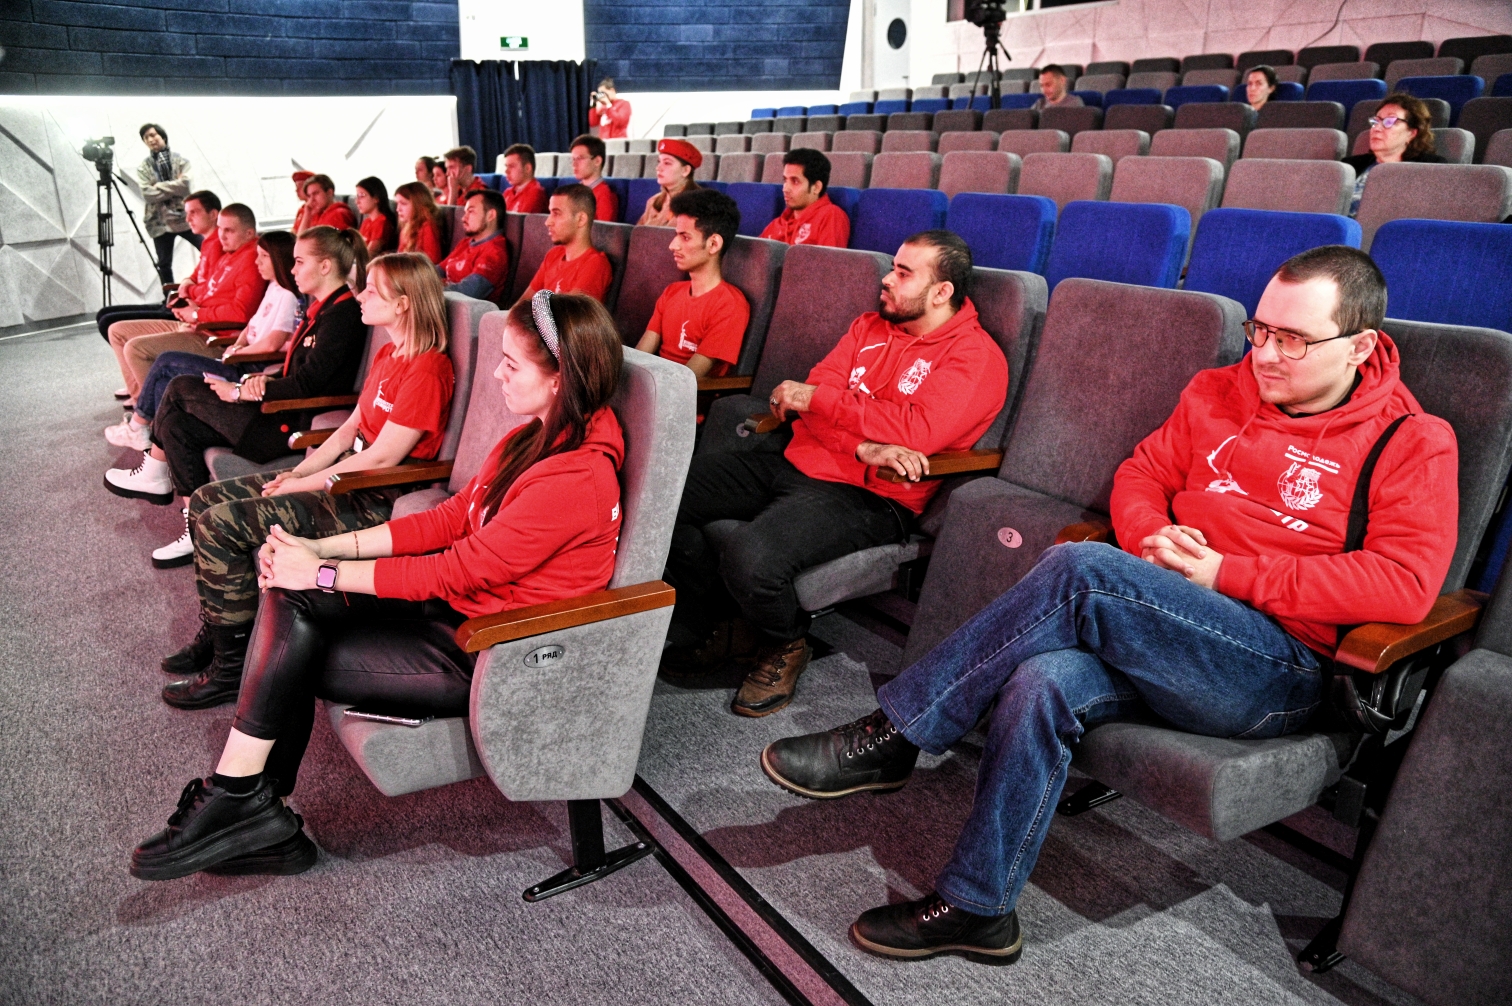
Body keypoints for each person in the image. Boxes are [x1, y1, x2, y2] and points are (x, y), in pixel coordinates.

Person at [760, 245, 1457, 965]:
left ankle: (897, 733)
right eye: (1260, 331)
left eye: (1294, 340)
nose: (1267, 355)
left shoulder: (1412, 440)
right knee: (1043, 680)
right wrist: (1153, 535)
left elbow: (1404, 583)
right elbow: (1142, 473)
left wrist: (1227, 573)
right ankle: (978, 908)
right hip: (1165, 624)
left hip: (1276, 668)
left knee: (1083, 569)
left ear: (1360, 346)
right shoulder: (1220, 389)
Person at [128, 291, 626, 881]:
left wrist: (320, 570)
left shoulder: (577, 476)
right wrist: (322, 550)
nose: (496, 374)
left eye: (512, 364)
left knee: (294, 637)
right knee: (290, 594)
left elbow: (456, 568)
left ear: (560, 379)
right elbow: (448, 520)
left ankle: (243, 799)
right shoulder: (533, 437)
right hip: (456, 612)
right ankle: (249, 802)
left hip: (490, 649)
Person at [662, 231, 1008, 716]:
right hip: (800, 456)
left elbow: (916, 429)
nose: (887, 279)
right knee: (664, 496)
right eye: (893, 266)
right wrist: (861, 443)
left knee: (752, 556)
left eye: (904, 273)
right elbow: (814, 390)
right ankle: (727, 623)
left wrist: (823, 404)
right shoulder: (868, 325)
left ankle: (785, 642)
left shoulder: (974, 356)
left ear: (941, 292)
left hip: (871, 495)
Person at [158, 253, 457, 709]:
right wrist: (299, 471)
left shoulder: (429, 368)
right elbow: (350, 429)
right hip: (339, 479)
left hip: (371, 497)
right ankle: (222, 634)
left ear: (403, 303)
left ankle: (232, 670)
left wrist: (304, 485)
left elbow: (384, 456)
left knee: (221, 524)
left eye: (372, 290)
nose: (360, 296)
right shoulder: (388, 353)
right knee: (202, 500)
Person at [104, 226, 370, 565]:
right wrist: (263, 379)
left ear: (325, 266)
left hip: (290, 424)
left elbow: (309, 384)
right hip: (278, 408)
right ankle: (195, 527)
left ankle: (155, 472)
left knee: (182, 387)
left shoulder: (343, 315)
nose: (291, 270)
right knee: (179, 425)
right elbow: (301, 372)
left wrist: (244, 391)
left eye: (299, 262)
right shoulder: (325, 309)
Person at [106, 231, 300, 453]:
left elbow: (272, 343)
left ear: (279, 259)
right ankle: (158, 445)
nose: (257, 262)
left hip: (249, 370)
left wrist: (237, 353)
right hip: (240, 358)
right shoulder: (274, 287)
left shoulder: (288, 296)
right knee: (163, 383)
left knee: (166, 361)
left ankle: (137, 426)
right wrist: (238, 344)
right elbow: (250, 326)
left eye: (264, 256)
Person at [106, 203, 266, 406]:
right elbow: (207, 288)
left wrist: (197, 314)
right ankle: (141, 400)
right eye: (220, 229)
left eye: (229, 231)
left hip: (214, 337)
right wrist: (189, 301)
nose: (222, 236)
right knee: (117, 330)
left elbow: (241, 312)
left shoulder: (251, 258)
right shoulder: (229, 253)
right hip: (195, 323)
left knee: (135, 349)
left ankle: (151, 414)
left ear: (249, 233)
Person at [94, 190, 222, 358]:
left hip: (193, 310)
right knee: (104, 314)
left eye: (194, 213)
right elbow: (196, 277)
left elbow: (213, 290)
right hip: (187, 304)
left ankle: (147, 361)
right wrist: (187, 284)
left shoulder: (220, 245)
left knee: (108, 321)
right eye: (187, 213)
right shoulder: (208, 244)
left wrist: (188, 293)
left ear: (213, 214)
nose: (187, 219)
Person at [636, 189, 749, 379]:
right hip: (655, 385)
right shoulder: (671, 292)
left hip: (685, 394)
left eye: (685, 237)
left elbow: (688, 379)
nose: (673, 245)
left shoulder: (730, 305)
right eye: (676, 235)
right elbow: (640, 357)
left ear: (713, 244)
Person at [1344, 92, 1446, 217]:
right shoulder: (1348, 166)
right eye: (1376, 121)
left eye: (1389, 121)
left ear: (1412, 133)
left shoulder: (1431, 169)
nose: (1377, 128)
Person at [514, 184, 613, 305]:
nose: (548, 222)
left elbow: (568, 312)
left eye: (556, 214)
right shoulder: (554, 254)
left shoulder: (595, 264)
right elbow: (524, 302)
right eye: (550, 213)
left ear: (581, 219)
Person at [135, 123, 200, 288]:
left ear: (162, 136)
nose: (150, 139)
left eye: (153, 135)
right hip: (160, 222)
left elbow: (186, 185)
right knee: (164, 264)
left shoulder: (180, 161)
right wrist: (174, 186)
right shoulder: (144, 167)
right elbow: (147, 194)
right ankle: (169, 297)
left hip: (185, 218)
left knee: (207, 249)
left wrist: (158, 186)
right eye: (146, 138)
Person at [759, 149, 851, 248]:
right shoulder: (777, 223)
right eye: (785, 180)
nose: (785, 189)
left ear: (816, 187)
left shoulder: (831, 216)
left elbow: (829, 258)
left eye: (795, 181)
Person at [438, 189, 510, 304]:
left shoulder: (495, 251)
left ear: (491, 215)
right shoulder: (466, 242)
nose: (463, 218)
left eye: (470, 212)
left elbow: (470, 291)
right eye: (465, 212)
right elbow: (439, 269)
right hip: (444, 302)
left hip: (464, 311)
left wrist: (432, 287)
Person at [638, 138, 702, 227]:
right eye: (659, 162)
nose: (658, 168)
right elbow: (637, 233)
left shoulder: (698, 204)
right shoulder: (653, 201)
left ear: (685, 170)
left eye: (667, 163)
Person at [569, 133, 618, 221]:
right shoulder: (573, 191)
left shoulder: (604, 195)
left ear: (597, 161)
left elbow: (603, 228)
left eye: (580, 158)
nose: (574, 164)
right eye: (573, 159)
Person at [395, 180, 444, 263]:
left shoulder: (427, 228)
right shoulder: (406, 227)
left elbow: (431, 262)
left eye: (403, 203)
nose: (398, 209)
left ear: (418, 205)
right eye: (397, 204)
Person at [355, 176, 398, 255]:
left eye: (361, 196)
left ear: (376, 198)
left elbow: (370, 254)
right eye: (357, 196)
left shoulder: (382, 222)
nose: (357, 201)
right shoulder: (367, 222)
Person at [501, 144, 550, 214]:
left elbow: (521, 220)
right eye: (506, 166)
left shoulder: (535, 193)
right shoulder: (507, 192)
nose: (506, 171)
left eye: (511, 166)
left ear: (527, 168)